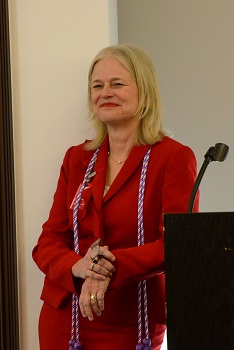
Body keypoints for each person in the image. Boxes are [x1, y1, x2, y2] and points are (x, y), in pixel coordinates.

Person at [32, 43, 199, 350]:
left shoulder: (174, 158)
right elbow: (48, 242)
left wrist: (107, 265)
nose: (105, 92)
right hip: (65, 315)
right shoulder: (76, 158)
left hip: (130, 319)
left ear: (145, 92)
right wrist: (80, 267)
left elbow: (177, 245)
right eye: (98, 86)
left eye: (117, 84)